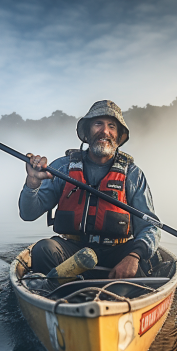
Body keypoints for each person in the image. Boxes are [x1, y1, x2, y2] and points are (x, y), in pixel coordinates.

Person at [18, 100, 160, 279]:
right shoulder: (62, 168)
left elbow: (150, 227)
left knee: (142, 263)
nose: (105, 131)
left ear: (118, 135)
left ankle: (111, 293)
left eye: (112, 126)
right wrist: (32, 184)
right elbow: (28, 214)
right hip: (73, 250)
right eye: (98, 124)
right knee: (43, 250)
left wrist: (133, 256)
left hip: (117, 252)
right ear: (87, 131)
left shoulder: (133, 174)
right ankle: (63, 291)